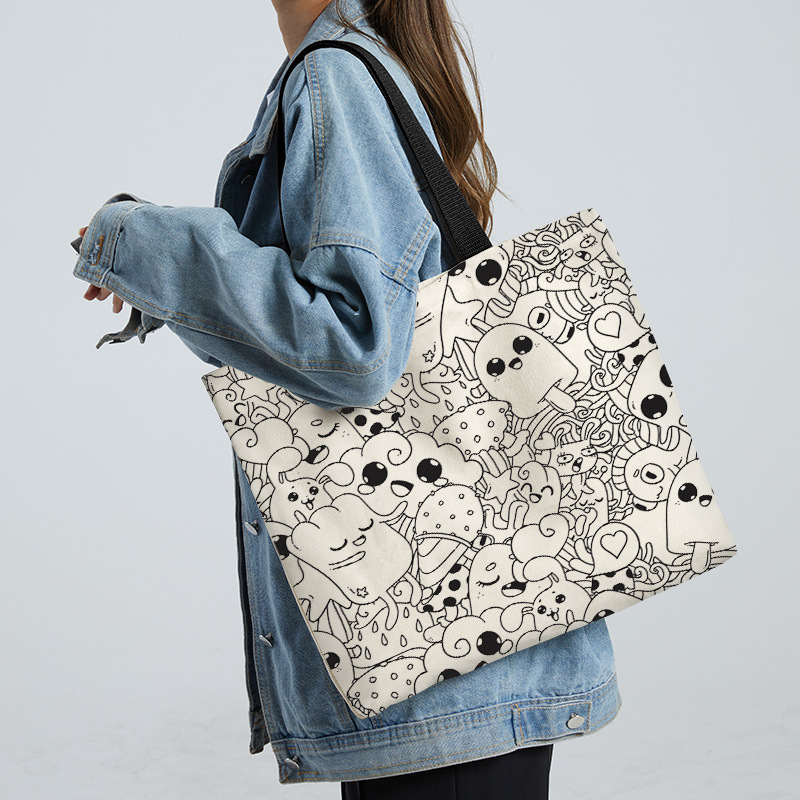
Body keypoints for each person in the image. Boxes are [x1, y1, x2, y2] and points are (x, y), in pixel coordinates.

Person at [73, 0, 621, 795]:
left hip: (438, 690)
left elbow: (353, 343)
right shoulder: (351, 64)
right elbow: (345, 327)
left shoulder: (334, 75)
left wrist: (148, 243)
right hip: (450, 672)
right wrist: (165, 281)